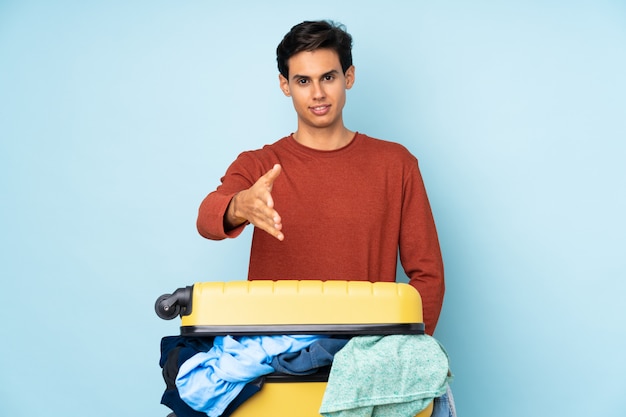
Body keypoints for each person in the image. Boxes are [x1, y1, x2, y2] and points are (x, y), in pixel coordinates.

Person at [196, 20, 445, 336]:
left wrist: (405, 349)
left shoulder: (396, 164)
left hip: (366, 350)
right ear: (285, 85)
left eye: (328, 77)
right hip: (275, 354)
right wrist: (239, 207)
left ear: (348, 77)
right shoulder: (259, 165)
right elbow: (206, 219)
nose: (317, 93)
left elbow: (429, 274)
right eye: (303, 81)